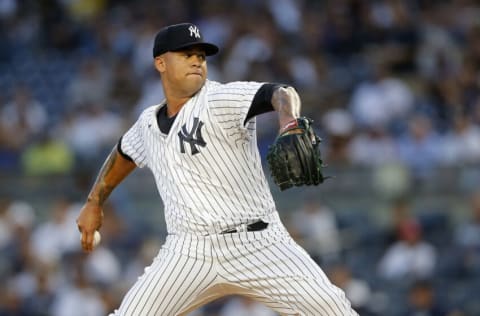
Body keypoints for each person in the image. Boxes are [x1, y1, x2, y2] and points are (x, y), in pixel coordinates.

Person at [76, 22, 357, 316]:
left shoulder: (220, 99)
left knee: (333, 309)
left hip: (258, 243)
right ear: (160, 62)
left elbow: (279, 92)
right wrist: (94, 201)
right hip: (187, 251)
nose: (197, 59)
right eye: (186, 54)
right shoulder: (147, 122)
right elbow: (123, 152)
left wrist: (289, 121)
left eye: (201, 54)